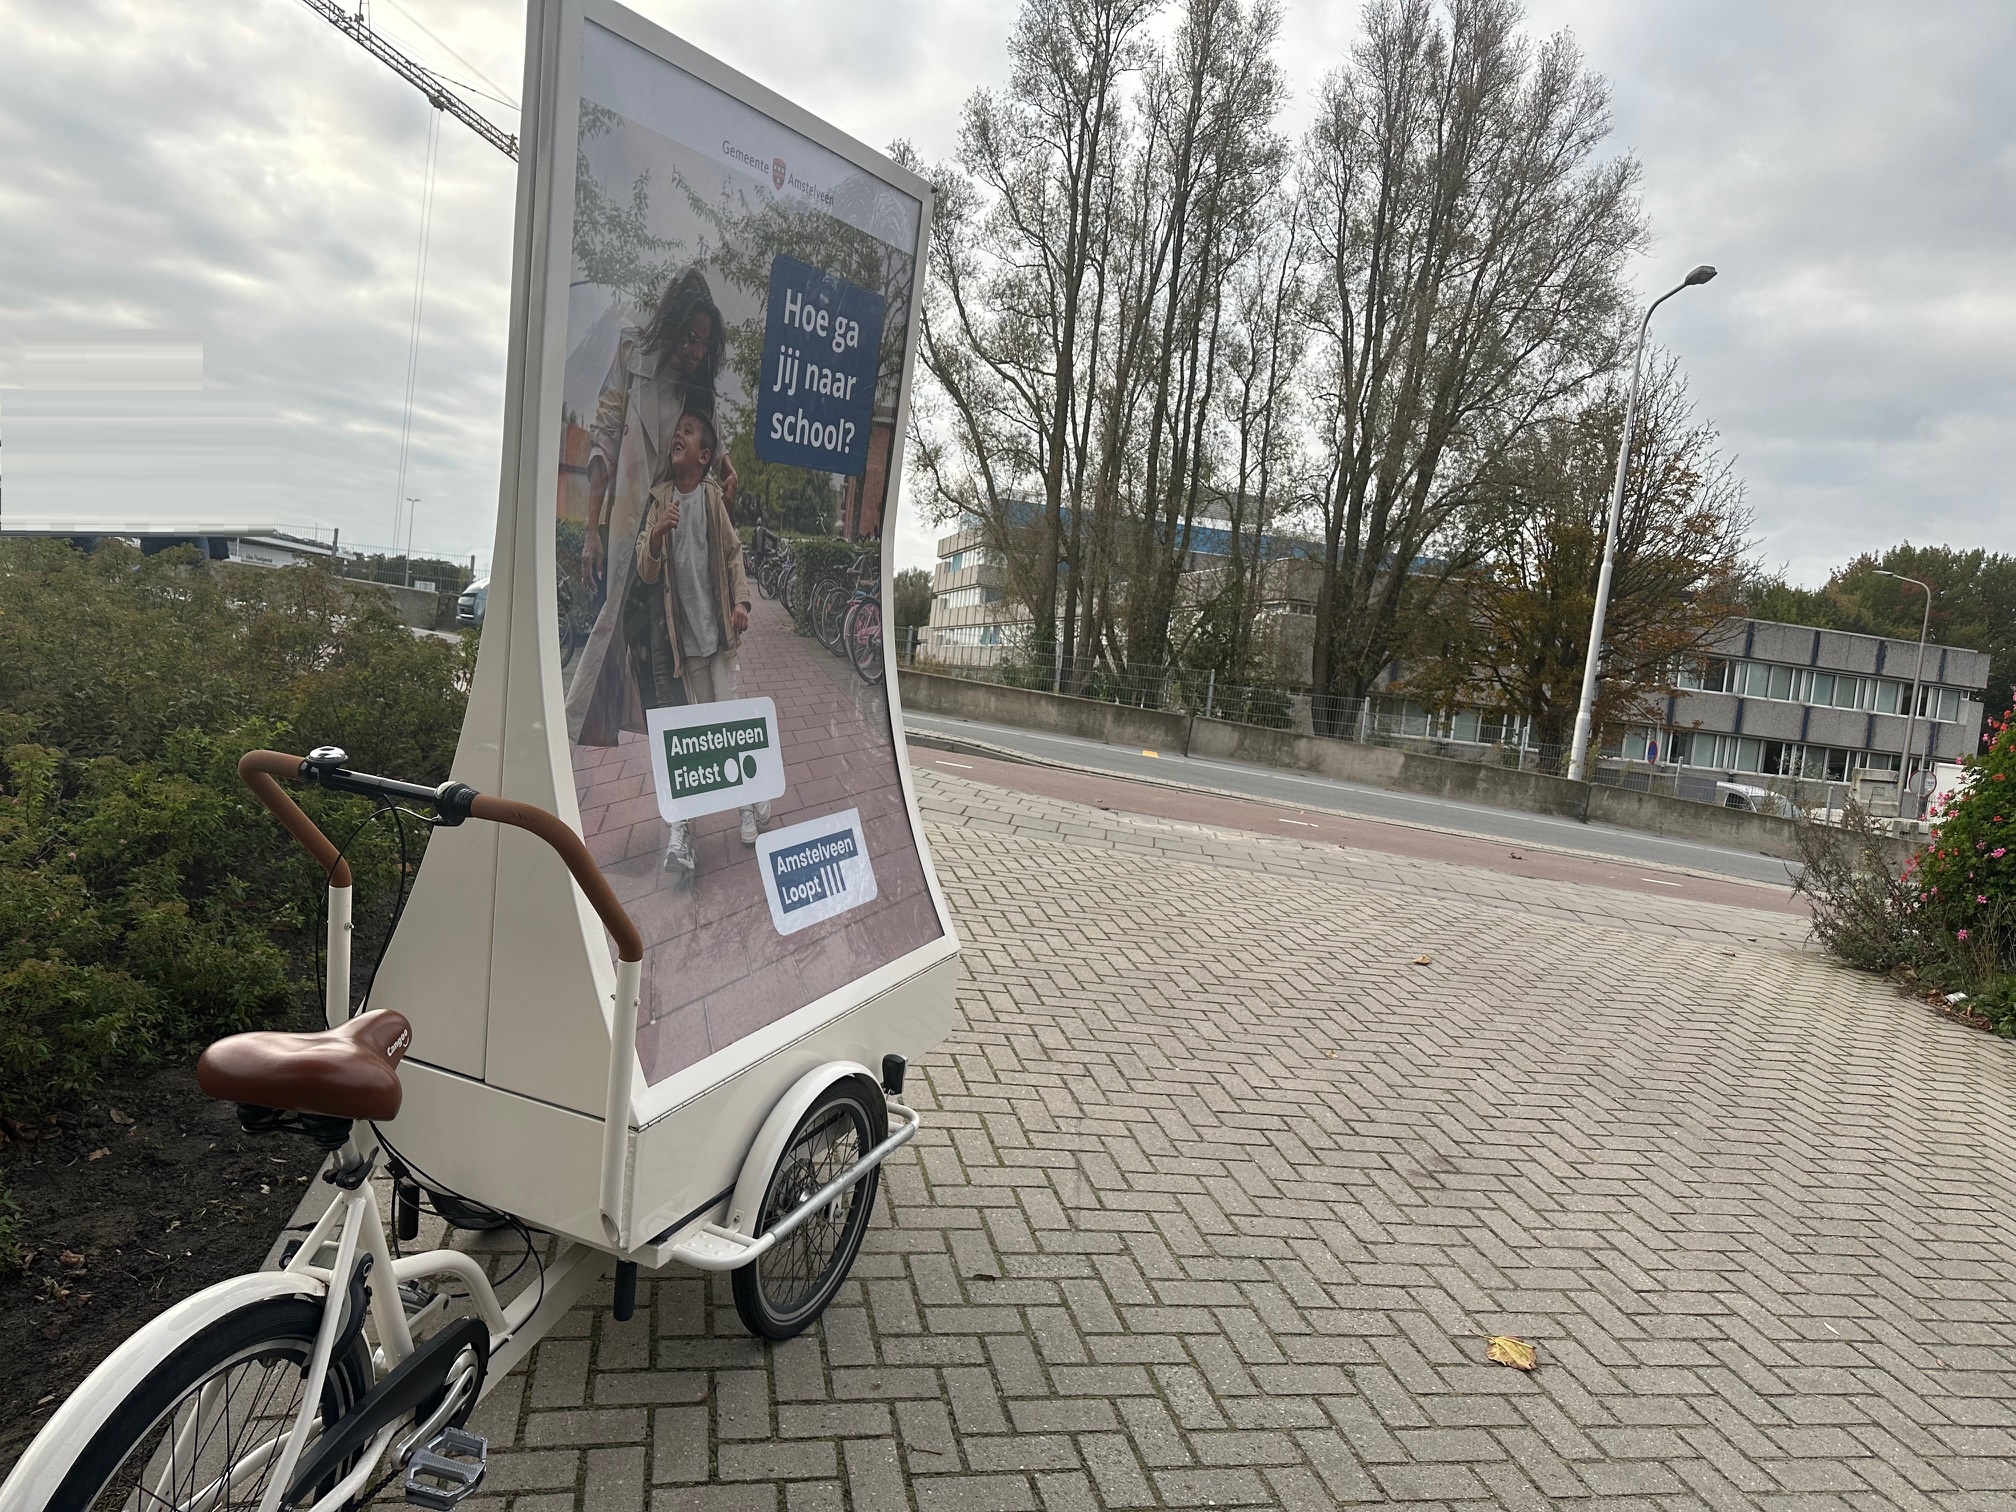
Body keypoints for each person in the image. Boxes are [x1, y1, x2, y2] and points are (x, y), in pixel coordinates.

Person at [564, 267, 738, 746]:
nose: (695, 349)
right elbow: (602, 439)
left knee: (666, 658)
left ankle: (678, 766)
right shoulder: (631, 354)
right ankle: (573, 745)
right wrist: (591, 531)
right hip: (630, 527)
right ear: (671, 323)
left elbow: (709, 434)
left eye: (703, 341)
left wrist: (725, 464)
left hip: (671, 532)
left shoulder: (697, 380)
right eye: (689, 337)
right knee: (616, 636)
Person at [633, 408, 770, 872]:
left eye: (687, 433)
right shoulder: (660, 502)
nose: (678, 436)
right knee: (706, 728)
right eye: (677, 431)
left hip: (719, 637)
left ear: (704, 456)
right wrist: (656, 535)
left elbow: (733, 554)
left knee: (727, 719)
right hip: (686, 644)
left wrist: (741, 604)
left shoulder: (711, 498)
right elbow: (645, 569)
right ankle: (745, 797)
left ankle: (748, 806)